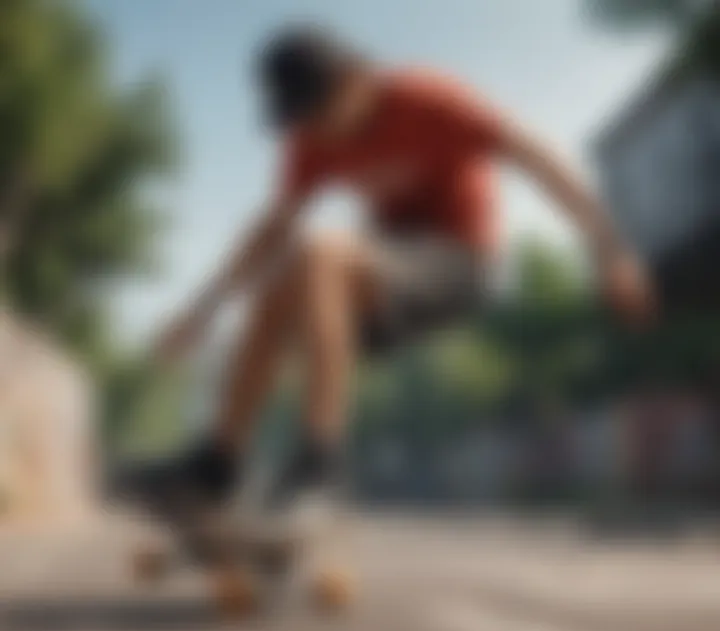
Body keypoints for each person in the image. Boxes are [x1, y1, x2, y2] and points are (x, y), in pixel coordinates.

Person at [133, 24, 654, 515]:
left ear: (358, 79)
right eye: (304, 121)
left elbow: (539, 157)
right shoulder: (312, 140)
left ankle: (319, 463)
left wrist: (611, 250)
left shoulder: (428, 99)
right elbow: (268, 230)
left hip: (459, 266)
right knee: (280, 278)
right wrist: (200, 312)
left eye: (322, 113)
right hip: (385, 281)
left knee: (320, 251)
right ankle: (218, 464)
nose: (318, 132)